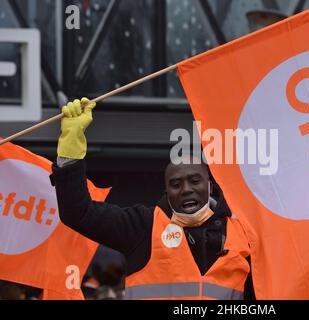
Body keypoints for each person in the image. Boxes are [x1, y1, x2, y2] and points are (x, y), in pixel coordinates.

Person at [50, 98, 254, 300]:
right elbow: (78, 212)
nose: (186, 189)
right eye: (176, 184)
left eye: (194, 181)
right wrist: (70, 153)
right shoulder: (144, 227)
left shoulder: (243, 235)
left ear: (210, 186)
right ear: (166, 192)